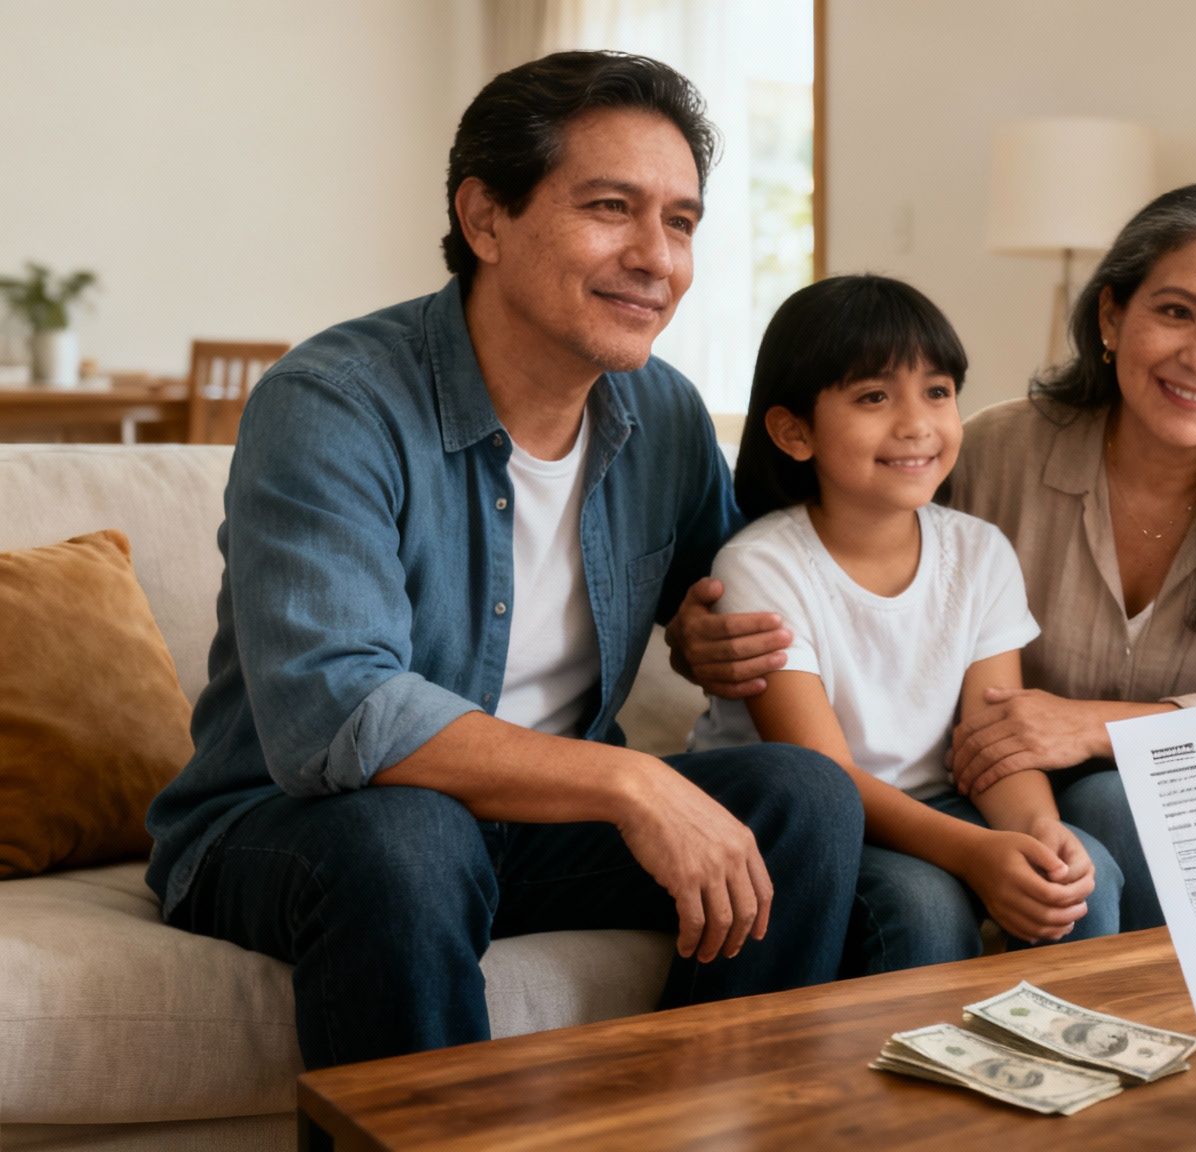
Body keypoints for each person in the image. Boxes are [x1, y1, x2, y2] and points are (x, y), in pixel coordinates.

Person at [142, 51, 863, 1071]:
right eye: (610, 207)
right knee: (410, 836)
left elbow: (738, 575)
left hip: (535, 824)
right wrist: (630, 783)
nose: (656, 257)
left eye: (681, 220)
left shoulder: (659, 413)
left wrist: (706, 627)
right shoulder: (332, 403)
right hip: (297, 826)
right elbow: (337, 713)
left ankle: (706, 1124)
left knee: (802, 799)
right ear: (484, 219)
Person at [672, 183, 1196, 933]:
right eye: (1175, 311)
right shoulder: (1000, 448)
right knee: (1088, 819)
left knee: (1119, 799)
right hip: (1000, 787)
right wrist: (696, 640)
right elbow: (832, 559)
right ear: (1112, 316)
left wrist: (1096, 728)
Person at [689, 274, 1121, 973]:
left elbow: (993, 742)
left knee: (1078, 868)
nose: (917, 422)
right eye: (873, 397)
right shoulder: (762, 567)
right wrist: (974, 852)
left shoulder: (980, 553)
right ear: (794, 431)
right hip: (816, 824)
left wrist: (1039, 831)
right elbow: (822, 777)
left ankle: (1071, 1070)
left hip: (945, 800)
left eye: (938, 391)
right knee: (922, 904)